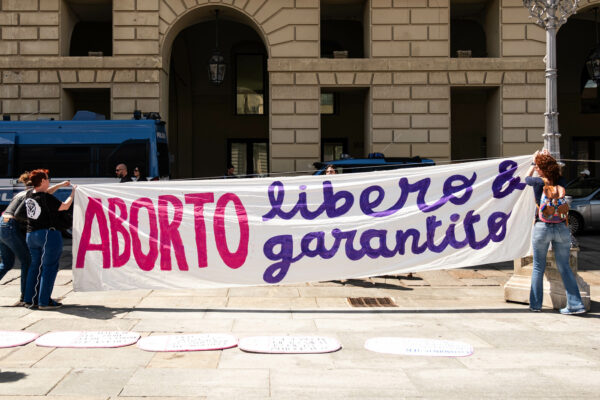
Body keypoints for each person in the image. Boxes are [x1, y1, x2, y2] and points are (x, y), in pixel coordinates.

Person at [525, 150, 586, 315]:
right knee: (564, 266)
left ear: (541, 168)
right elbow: (558, 173)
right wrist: (549, 158)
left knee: (538, 266)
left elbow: (525, 179)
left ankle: (536, 305)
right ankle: (575, 305)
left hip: (542, 227)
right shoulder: (561, 180)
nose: (536, 169)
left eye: (538, 166)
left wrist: (532, 162)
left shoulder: (537, 182)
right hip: (561, 227)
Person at [0, 172, 70, 306]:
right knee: (28, 261)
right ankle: (26, 296)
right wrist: (34, 220)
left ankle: (28, 296)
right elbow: (20, 213)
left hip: (2, 223)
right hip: (11, 226)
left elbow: (47, 193)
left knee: (7, 263)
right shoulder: (31, 194)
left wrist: (60, 185)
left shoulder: (27, 193)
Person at [22, 169, 76, 310]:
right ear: (43, 181)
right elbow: (65, 206)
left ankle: (29, 299)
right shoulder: (46, 198)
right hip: (47, 234)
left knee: (35, 267)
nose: (49, 180)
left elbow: (45, 193)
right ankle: (44, 301)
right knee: (49, 267)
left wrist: (59, 185)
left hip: (31, 235)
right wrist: (73, 193)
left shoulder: (30, 194)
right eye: (47, 178)